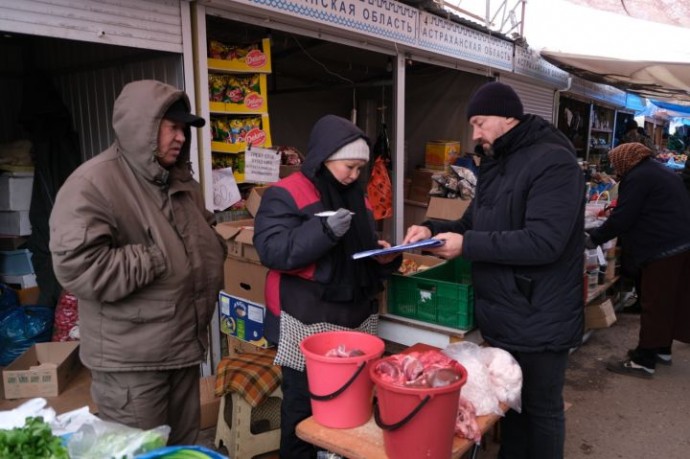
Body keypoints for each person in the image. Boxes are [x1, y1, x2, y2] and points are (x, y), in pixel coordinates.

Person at [403, 81, 585, 459]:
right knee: (510, 403)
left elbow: (544, 241)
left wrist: (467, 246)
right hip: (505, 309)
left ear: (507, 117)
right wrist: (432, 230)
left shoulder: (554, 162)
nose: (475, 133)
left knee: (541, 410)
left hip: (541, 312)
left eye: (480, 122)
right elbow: (473, 223)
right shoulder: (497, 162)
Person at [49, 80, 226, 444]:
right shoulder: (93, 183)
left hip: (180, 348)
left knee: (181, 448)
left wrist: (213, 247)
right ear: (143, 127)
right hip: (132, 364)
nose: (180, 137)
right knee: (138, 450)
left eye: (184, 129)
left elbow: (199, 230)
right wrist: (156, 258)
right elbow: (78, 267)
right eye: (172, 127)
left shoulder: (178, 181)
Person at [252, 114, 401, 458]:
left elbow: (359, 257)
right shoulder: (285, 194)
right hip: (307, 324)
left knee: (347, 411)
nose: (354, 175)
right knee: (302, 414)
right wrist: (325, 232)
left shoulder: (357, 198)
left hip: (356, 321)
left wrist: (384, 259)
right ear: (325, 158)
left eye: (359, 168)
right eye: (349, 166)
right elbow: (272, 250)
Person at [586, 142, 690, 378]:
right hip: (680, 243)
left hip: (663, 248)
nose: (615, 168)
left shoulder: (639, 177)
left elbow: (624, 217)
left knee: (654, 304)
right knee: (669, 302)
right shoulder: (657, 171)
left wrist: (595, 238)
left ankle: (644, 361)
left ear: (626, 160)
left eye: (616, 163)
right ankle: (662, 350)